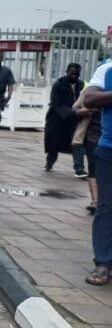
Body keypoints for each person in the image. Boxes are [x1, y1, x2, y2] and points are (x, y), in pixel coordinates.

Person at [83, 60, 112, 286]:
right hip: (109, 150)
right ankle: (102, 262)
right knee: (106, 206)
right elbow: (90, 99)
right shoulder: (108, 69)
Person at [44, 64, 85, 175]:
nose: (74, 76)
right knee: (54, 142)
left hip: (74, 120)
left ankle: (79, 168)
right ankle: (49, 163)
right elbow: (55, 103)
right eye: (72, 73)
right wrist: (72, 112)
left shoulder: (81, 85)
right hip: (57, 118)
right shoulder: (58, 84)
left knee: (77, 142)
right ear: (67, 71)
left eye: (77, 74)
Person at [73, 88, 101, 214]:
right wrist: (84, 111)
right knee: (93, 166)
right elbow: (75, 108)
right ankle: (95, 202)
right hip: (93, 134)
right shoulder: (92, 90)